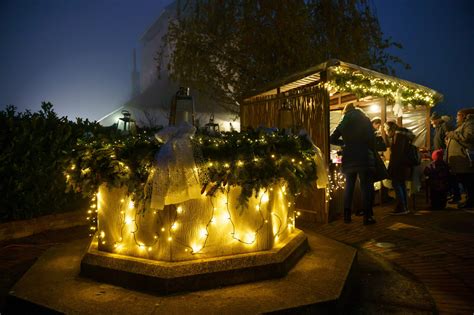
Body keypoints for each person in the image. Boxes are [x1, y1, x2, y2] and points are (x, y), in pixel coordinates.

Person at [330, 103, 376, 225]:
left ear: (346, 111)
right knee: (366, 187)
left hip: (349, 157)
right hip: (364, 156)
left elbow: (332, 139)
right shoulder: (365, 120)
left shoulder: (344, 121)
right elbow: (372, 139)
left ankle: (347, 216)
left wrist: (345, 143)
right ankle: (367, 217)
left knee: (349, 187)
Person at [384, 121, 415, 215]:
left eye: (386, 130)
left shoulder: (399, 137)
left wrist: (391, 169)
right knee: (401, 185)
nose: (385, 132)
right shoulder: (403, 135)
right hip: (404, 165)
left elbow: (397, 155)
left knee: (397, 185)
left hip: (400, 166)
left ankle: (401, 207)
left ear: (390, 129)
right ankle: (404, 207)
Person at [445, 108, 474, 209]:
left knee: (467, 182)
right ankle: (468, 200)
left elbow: (467, 137)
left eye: (458, 115)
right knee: (465, 181)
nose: (456, 117)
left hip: (464, 159)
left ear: (465, 116)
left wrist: (452, 134)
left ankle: (470, 202)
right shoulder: (465, 124)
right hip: (461, 160)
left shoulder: (470, 124)